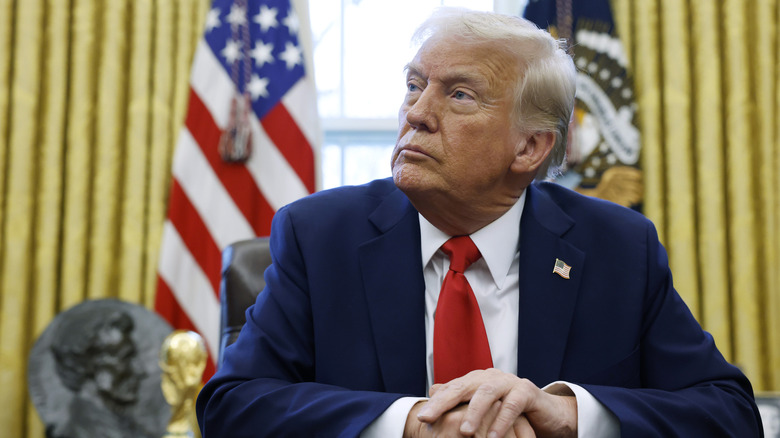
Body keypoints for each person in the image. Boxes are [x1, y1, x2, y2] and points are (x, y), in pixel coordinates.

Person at [196, 7, 763, 437]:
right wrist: (409, 423)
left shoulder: (617, 247)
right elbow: (234, 404)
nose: (416, 114)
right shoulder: (320, 236)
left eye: (459, 95)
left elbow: (729, 412)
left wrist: (569, 414)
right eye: (414, 86)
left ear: (530, 147)